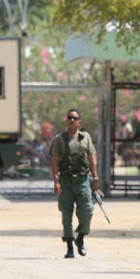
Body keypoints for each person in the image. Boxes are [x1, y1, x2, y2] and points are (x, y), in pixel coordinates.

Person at [50, 108, 99, 258]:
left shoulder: (86, 138)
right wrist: (56, 182)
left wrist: (95, 178)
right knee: (66, 216)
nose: (72, 120)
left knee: (87, 211)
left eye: (75, 118)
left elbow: (91, 158)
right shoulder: (59, 139)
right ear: (67, 121)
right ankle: (70, 247)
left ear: (79, 122)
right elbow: (54, 163)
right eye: (69, 118)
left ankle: (80, 238)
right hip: (66, 182)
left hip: (83, 181)